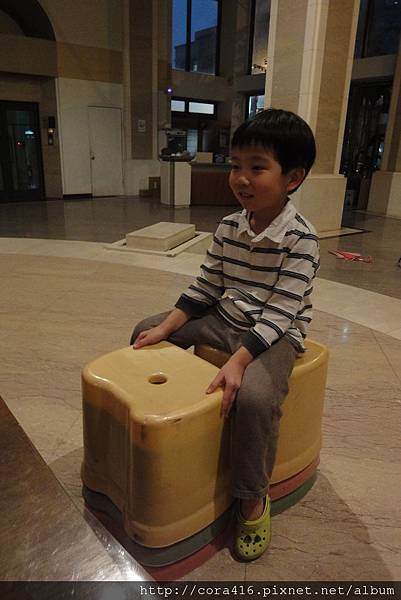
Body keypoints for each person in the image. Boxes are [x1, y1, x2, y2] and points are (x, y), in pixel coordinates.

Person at [130, 108, 319, 561]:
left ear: (292, 178)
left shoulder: (301, 239)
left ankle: (252, 497)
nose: (241, 178)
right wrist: (166, 327)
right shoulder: (230, 226)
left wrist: (239, 361)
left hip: (275, 334)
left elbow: (281, 312)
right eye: (236, 166)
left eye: (257, 167)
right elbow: (205, 287)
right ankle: (177, 433)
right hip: (225, 315)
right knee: (144, 330)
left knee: (254, 397)